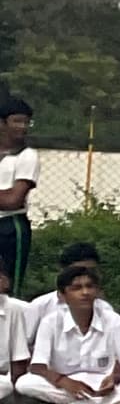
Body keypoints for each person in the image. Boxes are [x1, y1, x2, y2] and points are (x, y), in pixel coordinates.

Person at [11, 259, 120, 404]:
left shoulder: (113, 320)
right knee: (25, 383)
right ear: (62, 296)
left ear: (97, 292)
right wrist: (64, 382)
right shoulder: (50, 322)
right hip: (65, 386)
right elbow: (38, 367)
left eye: (90, 287)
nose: (85, 292)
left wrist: (114, 379)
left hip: (102, 386)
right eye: (76, 288)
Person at [0, 90, 37, 298]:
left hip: (10, 226)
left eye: (26, 122)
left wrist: (7, 197)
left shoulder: (27, 156)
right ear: (2, 124)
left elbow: (14, 200)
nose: (22, 127)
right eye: (16, 121)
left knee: (8, 286)